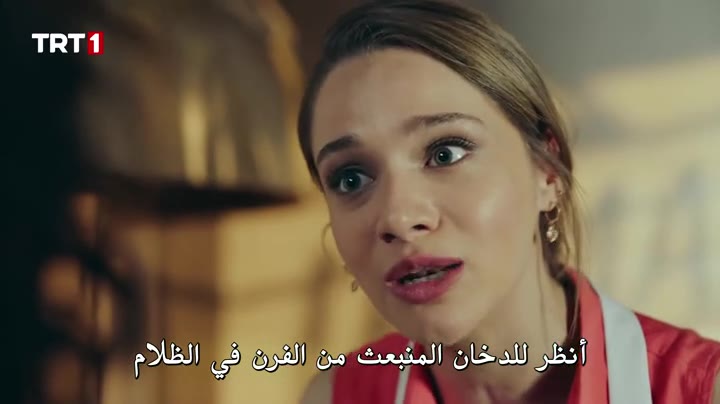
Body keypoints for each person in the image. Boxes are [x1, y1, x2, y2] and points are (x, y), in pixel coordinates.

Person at [295, 1, 720, 403]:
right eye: (350, 179)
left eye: (445, 153)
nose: (399, 217)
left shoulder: (701, 390)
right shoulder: (335, 395)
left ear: (546, 171)